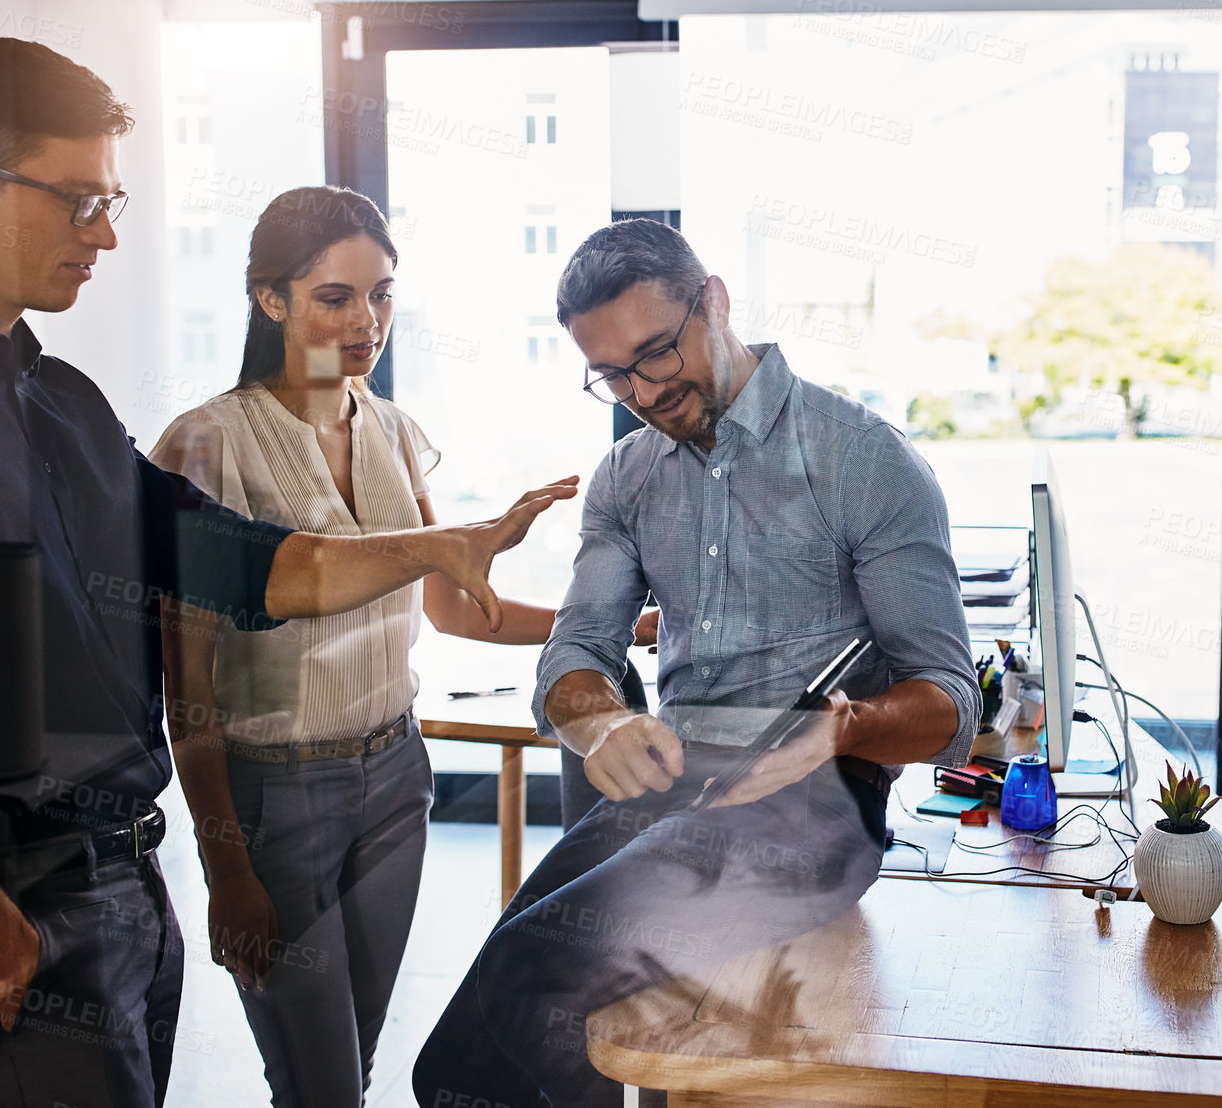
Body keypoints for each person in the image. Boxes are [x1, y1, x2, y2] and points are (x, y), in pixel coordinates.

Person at [0, 39, 573, 1108]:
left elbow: (230, 561)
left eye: (112, 199)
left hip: (124, 871)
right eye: (77, 200)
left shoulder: (60, 402)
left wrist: (429, 545)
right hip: (12, 901)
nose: (108, 233)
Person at [411, 218, 980, 1108]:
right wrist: (597, 715)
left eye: (656, 352)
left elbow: (951, 701)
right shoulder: (625, 477)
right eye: (610, 374)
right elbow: (575, 648)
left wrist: (841, 729)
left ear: (713, 300)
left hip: (818, 813)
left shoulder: (863, 460)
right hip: (675, 792)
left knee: (533, 977)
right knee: (451, 1064)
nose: (640, 389)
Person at [149, 185, 656, 1107]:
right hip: (274, 795)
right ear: (271, 299)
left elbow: (463, 610)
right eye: (335, 296)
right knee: (320, 1083)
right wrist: (226, 867)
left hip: (395, 774)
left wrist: (626, 625)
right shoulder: (204, 445)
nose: (365, 321)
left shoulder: (390, 428)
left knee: (361, 1054)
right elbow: (186, 689)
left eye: (381, 294)